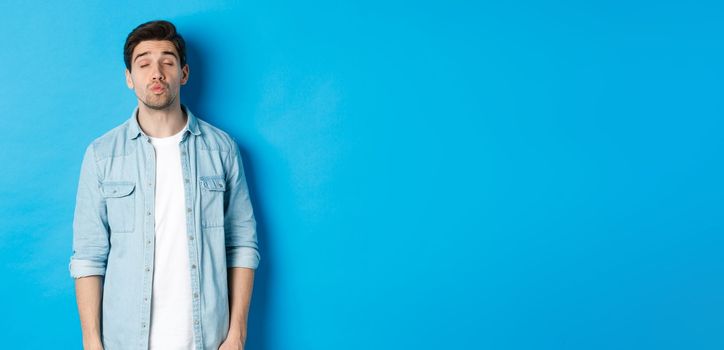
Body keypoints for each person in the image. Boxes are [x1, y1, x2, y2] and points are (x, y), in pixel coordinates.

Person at [69, 20, 260, 350]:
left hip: (209, 340)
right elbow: (88, 256)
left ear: (183, 73)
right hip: (126, 341)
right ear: (129, 77)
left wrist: (237, 335)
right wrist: (92, 342)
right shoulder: (102, 155)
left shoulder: (222, 149)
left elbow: (242, 245)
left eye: (167, 61)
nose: (156, 73)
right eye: (143, 63)